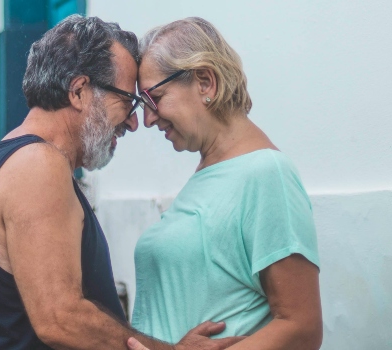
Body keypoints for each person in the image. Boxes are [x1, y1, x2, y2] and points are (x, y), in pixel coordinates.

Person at [0, 15, 242, 349]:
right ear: (79, 91)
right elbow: (62, 319)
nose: (133, 123)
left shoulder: (18, 159)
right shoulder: (37, 165)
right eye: (127, 102)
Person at [127, 17, 323, 350]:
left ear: (205, 82)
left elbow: (302, 327)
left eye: (154, 97)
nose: (147, 119)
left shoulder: (266, 173)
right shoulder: (212, 172)